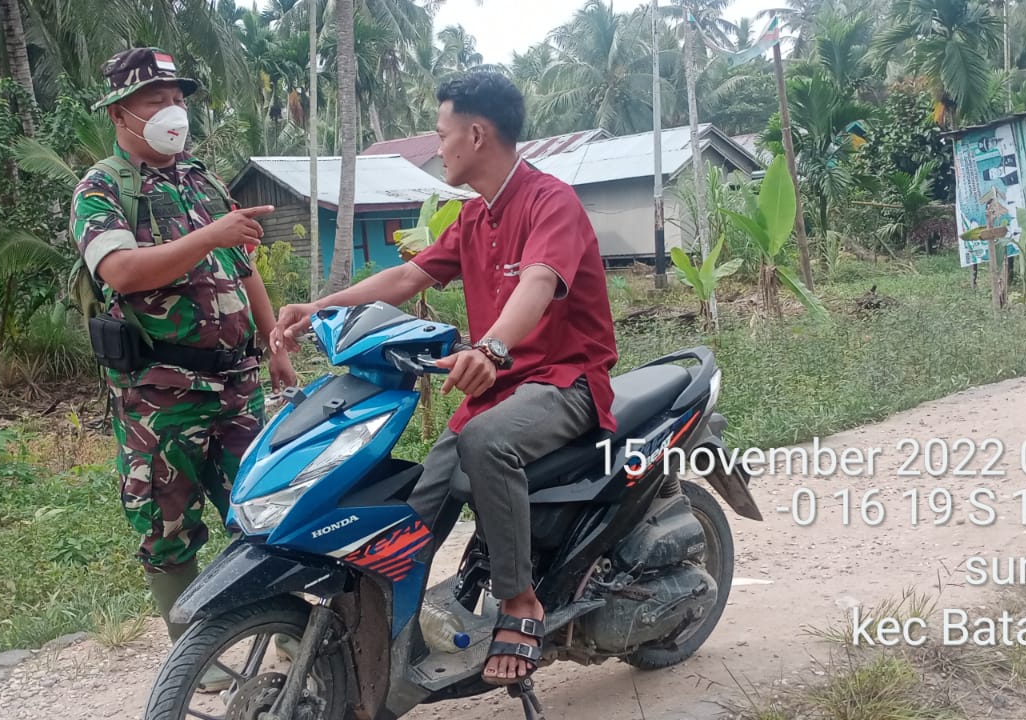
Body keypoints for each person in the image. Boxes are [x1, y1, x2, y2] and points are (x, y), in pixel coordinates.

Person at [271, 71, 617, 686]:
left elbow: (537, 282)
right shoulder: (473, 217)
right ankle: (376, 620)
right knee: (421, 495)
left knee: (485, 444)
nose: (437, 147)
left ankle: (519, 602)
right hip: (499, 389)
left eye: (441, 133)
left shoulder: (549, 203)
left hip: (566, 382)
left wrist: (491, 345)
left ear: (476, 134)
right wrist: (321, 307)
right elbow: (407, 280)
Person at [70, 47, 297, 661]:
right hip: (160, 391)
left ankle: (281, 639)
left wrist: (273, 340)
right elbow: (118, 271)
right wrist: (209, 236)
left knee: (263, 509)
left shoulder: (201, 180)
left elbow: (242, 266)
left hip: (238, 383)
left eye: (178, 99)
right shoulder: (102, 188)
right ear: (121, 114)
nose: (173, 110)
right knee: (166, 525)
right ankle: (198, 660)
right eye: (156, 100)